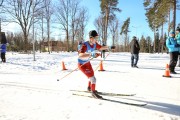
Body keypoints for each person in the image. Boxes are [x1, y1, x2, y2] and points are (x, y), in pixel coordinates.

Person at [78, 30, 108, 99]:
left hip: (87, 63)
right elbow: (80, 55)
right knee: (93, 79)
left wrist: (108, 47)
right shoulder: (85, 45)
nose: (96, 39)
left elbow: (100, 47)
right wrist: (91, 54)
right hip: (82, 65)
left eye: (97, 38)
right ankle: (93, 92)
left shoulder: (95, 44)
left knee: (92, 75)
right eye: (95, 38)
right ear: (91, 38)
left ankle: (89, 87)